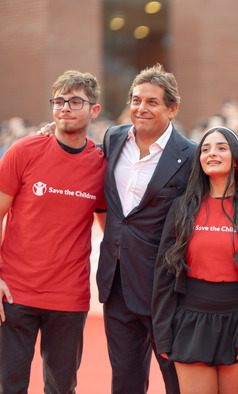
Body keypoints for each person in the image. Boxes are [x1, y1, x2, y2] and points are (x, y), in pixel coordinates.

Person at [0, 70, 106, 393]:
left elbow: (112, 229)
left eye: (75, 102)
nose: (65, 109)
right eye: (59, 101)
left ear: (94, 110)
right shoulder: (24, 151)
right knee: (9, 386)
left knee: (62, 388)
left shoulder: (101, 164)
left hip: (69, 298)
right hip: (15, 292)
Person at [152, 126, 238, 394]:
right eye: (206, 149)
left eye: (221, 147)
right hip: (189, 322)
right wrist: (162, 331)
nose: (212, 153)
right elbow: (164, 272)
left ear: (237, 156)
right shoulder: (183, 206)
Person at [98, 63, 197, 394]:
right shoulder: (112, 139)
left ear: (172, 107)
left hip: (165, 288)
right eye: (136, 99)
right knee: (124, 380)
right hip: (115, 284)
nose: (141, 108)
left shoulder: (191, 156)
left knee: (176, 380)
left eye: (152, 102)